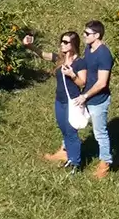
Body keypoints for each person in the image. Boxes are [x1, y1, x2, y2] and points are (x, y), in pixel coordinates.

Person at [23, 31, 87, 172]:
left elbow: (82, 83)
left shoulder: (79, 63)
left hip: (72, 101)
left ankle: (75, 163)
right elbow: (43, 54)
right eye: (61, 42)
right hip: (60, 100)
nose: (62, 45)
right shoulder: (60, 59)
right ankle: (69, 157)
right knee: (64, 130)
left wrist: (72, 75)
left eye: (66, 42)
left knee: (71, 131)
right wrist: (30, 46)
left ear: (73, 44)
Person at [72, 20, 114, 179]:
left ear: (97, 35)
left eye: (87, 34)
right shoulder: (89, 48)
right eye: (84, 33)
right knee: (73, 123)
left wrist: (85, 96)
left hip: (97, 100)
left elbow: (102, 83)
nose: (84, 36)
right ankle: (66, 152)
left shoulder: (104, 54)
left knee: (99, 133)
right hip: (85, 95)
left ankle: (105, 163)